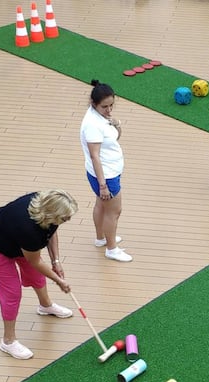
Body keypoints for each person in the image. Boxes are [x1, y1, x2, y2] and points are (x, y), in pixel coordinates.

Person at [0, 189, 78, 359]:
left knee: (36, 276)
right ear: (51, 213)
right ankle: (8, 341)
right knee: (12, 293)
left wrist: (56, 261)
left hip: (17, 241)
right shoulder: (29, 230)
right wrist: (59, 280)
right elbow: (35, 261)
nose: (67, 220)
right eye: (65, 218)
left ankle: (45, 306)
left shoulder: (46, 208)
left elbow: (52, 231)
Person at [80, 79, 132, 262]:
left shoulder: (100, 117)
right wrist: (103, 185)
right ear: (94, 104)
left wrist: (116, 124)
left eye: (111, 105)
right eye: (105, 107)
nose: (109, 110)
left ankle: (101, 238)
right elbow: (95, 156)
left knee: (101, 205)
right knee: (114, 211)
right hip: (106, 176)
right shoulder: (93, 125)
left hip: (106, 172)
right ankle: (112, 248)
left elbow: (115, 138)